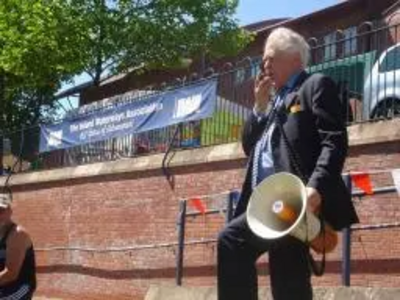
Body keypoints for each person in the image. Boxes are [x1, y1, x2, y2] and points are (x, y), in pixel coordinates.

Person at [217, 27, 359, 300]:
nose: (264, 65)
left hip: (296, 200)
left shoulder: (314, 85)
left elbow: (334, 141)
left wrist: (315, 188)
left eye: (270, 58)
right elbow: (249, 146)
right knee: (240, 246)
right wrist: (259, 107)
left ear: (293, 57)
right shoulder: (272, 103)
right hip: (264, 203)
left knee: (282, 271)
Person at [0, 192, 36, 299]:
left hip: (20, 286)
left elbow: (10, 274)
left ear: (10, 211)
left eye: (1, 210)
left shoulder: (17, 234)